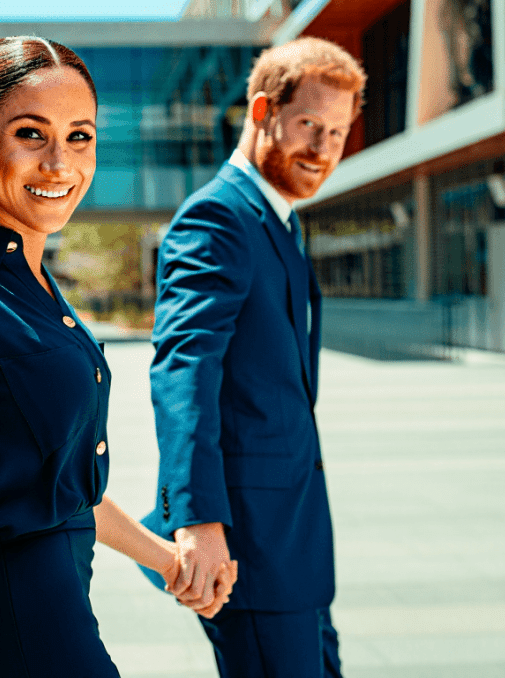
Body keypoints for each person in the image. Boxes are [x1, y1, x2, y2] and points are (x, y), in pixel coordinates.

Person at [0, 36, 231, 678]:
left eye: (79, 136)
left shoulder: (28, 278)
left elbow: (52, 485)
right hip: (11, 643)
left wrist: (165, 559)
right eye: (32, 133)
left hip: (52, 626)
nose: (60, 163)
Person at [142, 37, 366, 677]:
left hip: (294, 548)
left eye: (338, 132)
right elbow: (184, 370)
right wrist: (200, 522)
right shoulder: (216, 220)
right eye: (309, 126)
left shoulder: (282, 220)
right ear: (263, 110)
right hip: (249, 550)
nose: (324, 149)